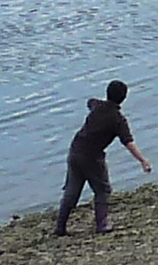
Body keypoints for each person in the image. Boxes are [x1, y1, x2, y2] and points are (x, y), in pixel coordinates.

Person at [53, 84, 148, 235]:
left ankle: (60, 227)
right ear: (123, 98)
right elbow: (128, 142)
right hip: (92, 156)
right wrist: (142, 160)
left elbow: (90, 101)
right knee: (102, 189)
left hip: (75, 149)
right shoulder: (118, 120)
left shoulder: (97, 106)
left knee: (72, 190)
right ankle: (102, 224)